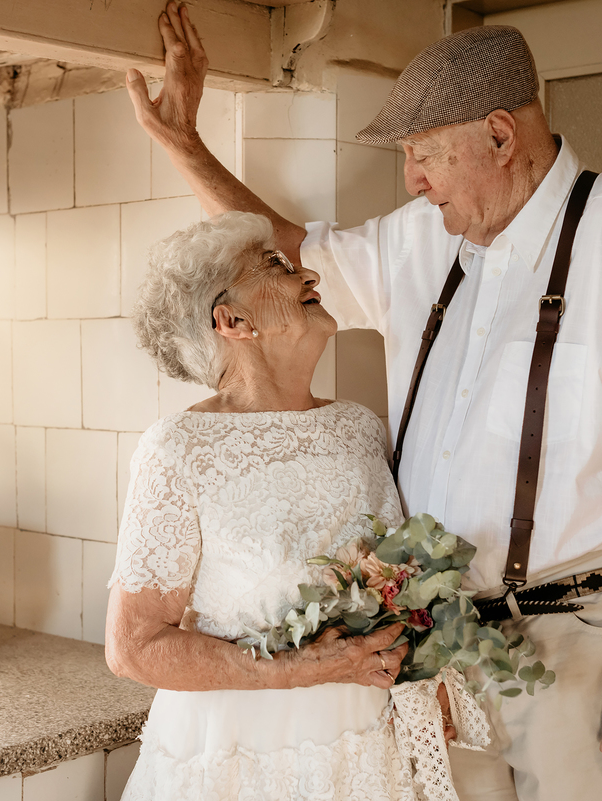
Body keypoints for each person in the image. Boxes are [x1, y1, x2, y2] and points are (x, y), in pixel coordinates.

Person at [124, 5, 602, 801]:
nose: (413, 179)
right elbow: (284, 258)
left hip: (591, 640)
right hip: (448, 652)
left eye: (424, 155)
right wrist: (184, 144)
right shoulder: (424, 237)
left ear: (499, 136)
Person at [105, 212, 488, 800]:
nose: (307, 274)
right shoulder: (178, 449)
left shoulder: (358, 429)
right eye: (274, 266)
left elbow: (400, 583)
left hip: (364, 748)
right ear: (231, 321)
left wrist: (427, 662)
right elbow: (133, 648)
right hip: (236, 756)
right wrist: (304, 669)